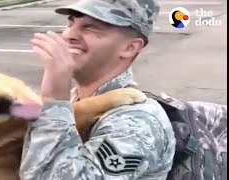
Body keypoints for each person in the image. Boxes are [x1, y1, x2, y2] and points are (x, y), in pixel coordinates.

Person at [20, 0, 176, 179]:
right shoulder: (77, 98)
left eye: (91, 28)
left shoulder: (136, 123)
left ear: (130, 48)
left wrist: (53, 99)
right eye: (71, 23)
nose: (69, 35)